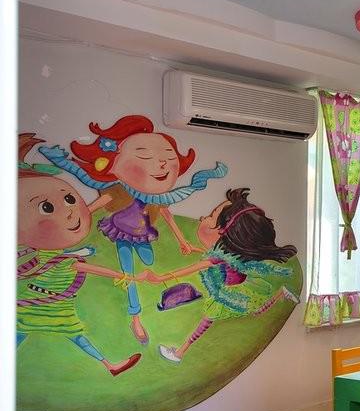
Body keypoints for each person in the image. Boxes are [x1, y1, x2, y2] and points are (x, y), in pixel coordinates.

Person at [40, 115, 227, 346]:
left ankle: (147, 293)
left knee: (149, 260)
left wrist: (182, 241)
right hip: (120, 233)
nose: (161, 164)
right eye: (145, 156)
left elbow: (166, 213)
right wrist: (77, 220)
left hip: (144, 234)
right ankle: (136, 318)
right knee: (129, 275)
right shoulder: (118, 189)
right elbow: (95, 205)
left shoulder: (156, 195)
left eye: (168, 158)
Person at [16, 133, 141, 376]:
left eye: (69, 198)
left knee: (32, 334)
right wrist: (126, 276)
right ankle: (111, 365)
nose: (70, 212)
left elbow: (59, 249)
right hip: (44, 306)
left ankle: (111, 366)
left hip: (53, 306)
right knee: (68, 336)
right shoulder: (61, 260)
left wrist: (101, 203)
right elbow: (95, 270)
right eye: (47, 207)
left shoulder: (45, 254)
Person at [144, 188, 298, 363]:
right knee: (252, 311)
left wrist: (159, 278)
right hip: (240, 284)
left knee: (211, 319)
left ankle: (179, 353)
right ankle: (281, 293)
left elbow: (194, 268)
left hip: (234, 291)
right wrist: (193, 247)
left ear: (223, 233)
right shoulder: (225, 254)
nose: (202, 218)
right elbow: (218, 259)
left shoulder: (220, 257)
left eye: (211, 217)